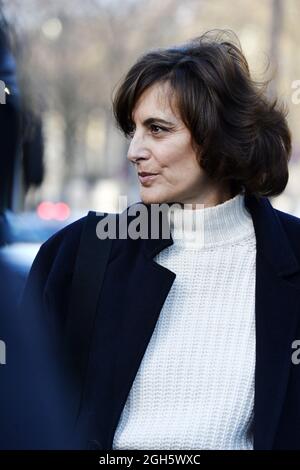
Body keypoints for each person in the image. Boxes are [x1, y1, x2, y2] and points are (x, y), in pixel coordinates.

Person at [19, 29, 300, 450]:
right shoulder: (77, 256)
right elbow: (22, 416)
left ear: (219, 135)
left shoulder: (291, 256)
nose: (134, 150)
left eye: (157, 129)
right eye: (133, 129)